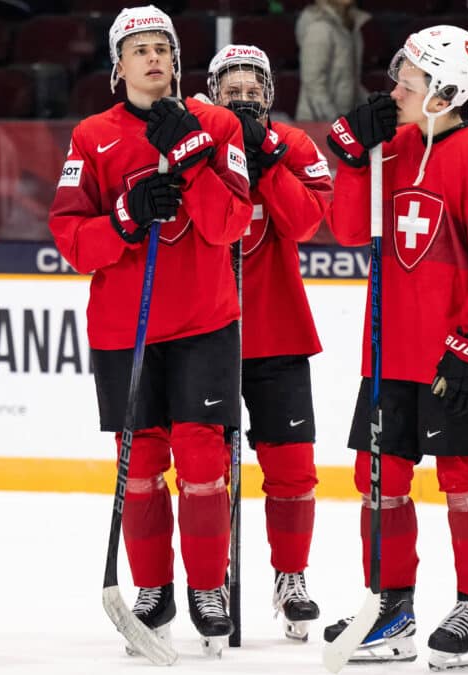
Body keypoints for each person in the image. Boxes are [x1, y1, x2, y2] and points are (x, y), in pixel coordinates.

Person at [322, 25, 468, 670]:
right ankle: (391, 608)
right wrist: (355, 157)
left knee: (465, 480)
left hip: (457, 353)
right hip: (390, 350)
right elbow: (352, 227)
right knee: (377, 477)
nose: (396, 86)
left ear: (444, 90)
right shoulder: (395, 144)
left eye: (409, 77)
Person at [47, 5, 252, 657]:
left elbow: (231, 226)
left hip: (204, 319)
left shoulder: (217, 125)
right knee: (138, 468)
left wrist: (191, 161)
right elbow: (72, 239)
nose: (154, 56)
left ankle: (207, 587)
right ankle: (153, 589)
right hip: (124, 329)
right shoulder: (91, 137)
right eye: (139, 49)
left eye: (163, 46)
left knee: (201, 461)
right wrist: (127, 216)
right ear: (117, 66)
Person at [205, 43, 333, 641]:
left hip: (278, 333)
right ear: (212, 92)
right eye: (231, 87)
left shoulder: (295, 147)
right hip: (205, 332)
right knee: (210, 469)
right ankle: (215, 579)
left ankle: (291, 577)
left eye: (253, 87)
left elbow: (307, 223)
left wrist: (269, 164)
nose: (244, 95)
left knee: (292, 468)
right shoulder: (195, 140)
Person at [294, 0, 369, 121]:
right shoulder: (319, 28)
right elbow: (313, 85)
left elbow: (350, 82)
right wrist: (335, 120)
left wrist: (376, 107)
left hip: (343, 121)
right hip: (316, 123)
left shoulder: (352, 27)